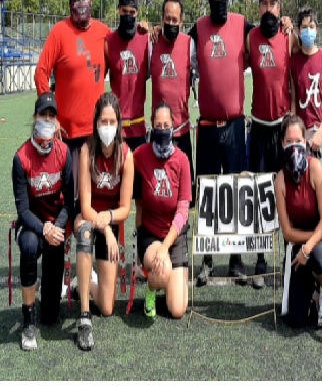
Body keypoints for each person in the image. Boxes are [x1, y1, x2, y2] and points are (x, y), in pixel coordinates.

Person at [35, 0, 110, 198]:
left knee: (97, 199)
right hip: (67, 136)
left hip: (97, 134)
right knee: (69, 200)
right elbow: (41, 72)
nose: (80, 3)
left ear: (91, 0)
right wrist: (50, 117)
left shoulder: (104, 33)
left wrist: (145, 28)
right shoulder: (59, 32)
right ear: (70, 4)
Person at [246, 0, 298, 288]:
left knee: (287, 194)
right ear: (259, 8)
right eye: (264, 4)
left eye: (273, 4)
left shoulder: (288, 36)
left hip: (282, 128)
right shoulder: (251, 37)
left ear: (280, 9)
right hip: (258, 127)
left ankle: (289, 255)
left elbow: (300, 67)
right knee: (260, 196)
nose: (268, 9)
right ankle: (261, 260)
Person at [12, 93, 74, 350]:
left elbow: (70, 203)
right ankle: (28, 317)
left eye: (51, 116)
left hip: (55, 228)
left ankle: (46, 303)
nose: (47, 120)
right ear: (35, 117)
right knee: (28, 246)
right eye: (42, 115)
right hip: (32, 227)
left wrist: (56, 226)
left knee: (50, 317)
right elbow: (23, 210)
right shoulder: (21, 158)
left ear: (56, 121)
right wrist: (44, 228)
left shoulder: (64, 153)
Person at [73, 92, 134, 351]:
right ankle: (84, 317)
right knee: (85, 233)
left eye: (112, 122)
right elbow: (85, 207)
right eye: (103, 121)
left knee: (108, 308)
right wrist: (107, 229)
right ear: (96, 123)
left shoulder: (126, 155)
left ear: (118, 123)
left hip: (108, 220)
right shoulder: (87, 151)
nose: (107, 127)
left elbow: (125, 209)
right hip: (87, 219)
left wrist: (108, 221)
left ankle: (81, 285)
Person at [133, 102, 191, 319]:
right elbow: (124, 165)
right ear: (152, 125)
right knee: (163, 269)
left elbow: (183, 209)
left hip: (175, 236)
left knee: (177, 310)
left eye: (166, 125)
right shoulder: (141, 154)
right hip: (151, 235)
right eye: (158, 125)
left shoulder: (182, 160)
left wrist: (166, 245)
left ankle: (164, 282)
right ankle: (151, 289)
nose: (163, 130)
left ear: (173, 126)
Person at [275, 115, 322, 328]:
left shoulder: (315, 168)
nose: (294, 146)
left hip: (319, 244)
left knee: (319, 256)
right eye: (289, 141)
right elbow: (287, 232)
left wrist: (308, 248)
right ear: (282, 143)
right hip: (299, 245)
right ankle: (312, 292)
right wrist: (307, 244)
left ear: (305, 142)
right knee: (296, 320)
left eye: (298, 141)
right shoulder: (280, 179)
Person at [150, 0, 196, 206]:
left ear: (181, 21)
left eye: (174, 20)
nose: (170, 23)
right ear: (161, 19)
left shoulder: (189, 44)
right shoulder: (152, 44)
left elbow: (204, 70)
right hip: (159, 133)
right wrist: (145, 27)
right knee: (156, 195)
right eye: (167, 19)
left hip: (182, 133)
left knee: (187, 197)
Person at [290, 7, 322, 201]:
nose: (308, 30)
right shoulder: (294, 62)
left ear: (317, 29)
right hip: (302, 134)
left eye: (311, 26)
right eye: (304, 27)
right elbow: (294, 100)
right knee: (303, 189)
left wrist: (320, 133)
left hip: (321, 134)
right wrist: (295, 134)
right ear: (299, 30)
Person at [105, 0, 149, 151]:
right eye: (124, 11)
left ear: (137, 13)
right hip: (116, 129)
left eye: (132, 12)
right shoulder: (109, 42)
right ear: (119, 10)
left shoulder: (146, 39)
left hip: (139, 128)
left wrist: (155, 29)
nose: (128, 15)